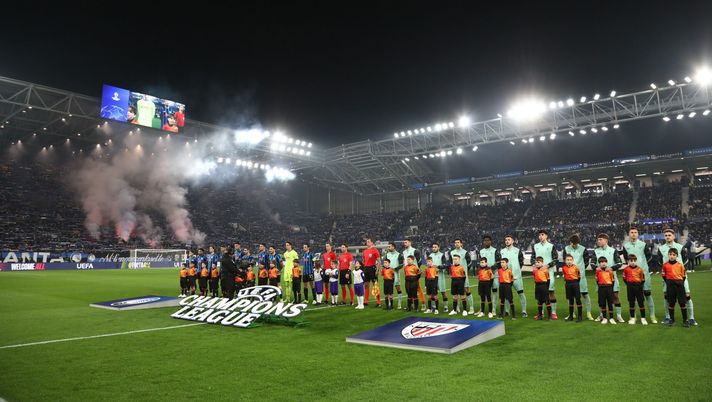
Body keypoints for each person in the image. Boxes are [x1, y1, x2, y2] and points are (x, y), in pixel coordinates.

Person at [657, 229, 697, 326]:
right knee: (667, 298)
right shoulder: (661, 248)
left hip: (680, 278)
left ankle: (691, 318)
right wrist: (665, 274)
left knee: (687, 297)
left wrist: (680, 272)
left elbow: (686, 260)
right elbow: (659, 262)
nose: (667, 236)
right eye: (666, 235)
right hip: (667, 279)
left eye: (669, 235)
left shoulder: (680, 247)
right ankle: (668, 317)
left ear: (673, 236)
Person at [622, 227, 656, 323]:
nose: (633, 234)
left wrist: (642, 266)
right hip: (631, 276)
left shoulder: (643, 244)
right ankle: (634, 317)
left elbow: (649, 257)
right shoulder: (626, 246)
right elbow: (625, 258)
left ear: (638, 234)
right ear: (629, 234)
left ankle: (652, 315)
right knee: (633, 297)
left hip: (643, 274)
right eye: (631, 232)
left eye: (635, 232)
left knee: (647, 294)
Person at [593, 233, 625, 323]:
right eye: (598, 240)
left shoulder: (613, 250)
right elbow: (592, 263)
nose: (598, 241)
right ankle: (602, 315)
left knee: (615, 296)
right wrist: (596, 268)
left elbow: (619, 263)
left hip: (612, 278)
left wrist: (611, 268)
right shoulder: (596, 251)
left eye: (600, 239)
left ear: (606, 241)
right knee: (601, 298)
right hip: (600, 279)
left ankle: (618, 315)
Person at [565, 234, 594, 320]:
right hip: (570, 277)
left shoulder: (583, 249)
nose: (574, 245)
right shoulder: (566, 249)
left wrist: (580, 270)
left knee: (585, 294)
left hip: (580, 276)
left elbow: (586, 261)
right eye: (573, 243)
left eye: (576, 243)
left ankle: (589, 313)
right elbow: (565, 260)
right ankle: (572, 313)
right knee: (570, 296)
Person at [531, 230, 557, 319]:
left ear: (546, 236)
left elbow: (555, 259)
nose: (541, 236)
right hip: (538, 274)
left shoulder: (551, 246)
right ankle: (540, 313)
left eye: (542, 235)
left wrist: (547, 266)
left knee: (551, 291)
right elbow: (532, 258)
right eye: (539, 235)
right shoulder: (535, 246)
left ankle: (553, 312)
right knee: (540, 293)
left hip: (548, 272)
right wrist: (534, 265)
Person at [661, 248, 689, 327]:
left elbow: (683, 276)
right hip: (670, 286)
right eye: (670, 254)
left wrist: (679, 282)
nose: (672, 256)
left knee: (682, 303)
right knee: (671, 303)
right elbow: (664, 276)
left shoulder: (680, 265)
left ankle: (685, 320)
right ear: (668, 255)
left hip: (679, 285)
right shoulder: (665, 265)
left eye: (674, 255)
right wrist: (669, 282)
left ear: (677, 256)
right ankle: (672, 320)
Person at [500, 234, 526, 318]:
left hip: (516, 277)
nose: (507, 241)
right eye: (506, 240)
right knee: (507, 295)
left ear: (513, 241)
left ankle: (524, 311)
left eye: (509, 239)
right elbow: (501, 264)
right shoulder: (502, 251)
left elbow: (521, 262)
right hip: (506, 278)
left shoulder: (517, 251)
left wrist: (516, 271)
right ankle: (507, 311)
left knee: (521, 293)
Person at [447, 239, 474, 314]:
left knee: (467, 290)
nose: (456, 244)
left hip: (463, 276)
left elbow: (469, 262)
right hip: (455, 276)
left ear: (461, 244)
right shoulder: (452, 252)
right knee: (456, 292)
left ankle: (471, 308)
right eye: (455, 242)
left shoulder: (465, 252)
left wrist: (465, 271)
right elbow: (450, 263)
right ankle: (457, 308)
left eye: (458, 242)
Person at [477, 235, 500, 315]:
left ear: (491, 241)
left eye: (488, 240)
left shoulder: (495, 250)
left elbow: (499, 262)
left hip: (493, 274)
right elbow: (479, 262)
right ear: (483, 242)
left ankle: (493, 309)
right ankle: (481, 309)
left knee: (494, 291)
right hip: (483, 276)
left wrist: (491, 268)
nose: (486, 242)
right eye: (485, 240)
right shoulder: (481, 251)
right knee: (482, 293)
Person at [622, 254, 647, 325]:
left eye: (634, 261)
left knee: (641, 302)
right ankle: (632, 318)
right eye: (631, 261)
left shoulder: (640, 269)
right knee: (631, 303)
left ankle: (643, 318)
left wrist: (639, 286)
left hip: (638, 287)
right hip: (630, 287)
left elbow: (643, 279)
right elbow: (624, 278)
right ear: (628, 261)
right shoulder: (626, 269)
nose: (633, 262)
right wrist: (629, 284)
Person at [402, 239, 425, 310]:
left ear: (410, 243)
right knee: (409, 290)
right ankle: (411, 304)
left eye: (406, 242)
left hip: (414, 272)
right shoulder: (404, 252)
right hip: (407, 272)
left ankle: (423, 304)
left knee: (418, 289)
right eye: (404, 243)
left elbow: (419, 261)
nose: (404, 244)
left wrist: (418, 270)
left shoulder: (415, 251)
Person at [427, 242, 448, 313]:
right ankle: (434, 306)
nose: (434, 248)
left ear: (439, 247)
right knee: (433, 292)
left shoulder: (442, 255)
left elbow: (445, 265)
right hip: (432, 277)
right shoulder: (430, 255)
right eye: (433, 247)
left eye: (435, 247)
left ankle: (445, 306)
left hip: (440, 276)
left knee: (443, 292)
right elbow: (428, 265)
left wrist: (439, 267)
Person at [596, 257, 616, 325]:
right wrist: (601, 286)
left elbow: (613, 281)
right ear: (599, 264)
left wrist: (610, 287)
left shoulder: (610, 271)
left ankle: (611, 318)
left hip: (609, 288)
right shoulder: (598, 271)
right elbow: (597, 280)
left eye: (604, 262)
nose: (603, 263)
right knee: (603, 304)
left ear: (606, 263)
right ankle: (604, 318)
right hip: (601, 288)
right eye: (601, 262)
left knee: (610, 303)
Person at [562, 254, 582, 322]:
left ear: (573, 260)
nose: (569, 261)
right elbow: (565, 276)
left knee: (578, 299)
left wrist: (575, 282)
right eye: (567, 260)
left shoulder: (576, 267)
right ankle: (571, 316)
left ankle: (580, 316)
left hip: (575, 284)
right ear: (565, 261)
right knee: (570, 300)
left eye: (570, 260)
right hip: (568, 284)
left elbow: (579, 276)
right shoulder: (564, 268)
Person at [384, 242, 404, 309]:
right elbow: (384, 263)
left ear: (393, 247)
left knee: (397, 287)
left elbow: (402, 264)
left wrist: (395, 269)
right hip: (388, 275)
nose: (388, 248)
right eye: (388, 246)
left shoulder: (399, 255)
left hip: (395, 274)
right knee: (388, 290)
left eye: (390, 246)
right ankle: (389, 303)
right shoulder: (387, 254)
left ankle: (399, 303)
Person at [362, 238, 381, 307]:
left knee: (375, 285)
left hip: (373, 269)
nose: (367, 243)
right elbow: (364, 261)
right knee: (366, 285)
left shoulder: (375, 250)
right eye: (367, 242)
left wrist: (377, 270)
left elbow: (379, 261)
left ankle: (378, 301)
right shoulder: (364, 251)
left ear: (372, 243)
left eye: (369, 242)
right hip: (366, 269)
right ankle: (366, 301)